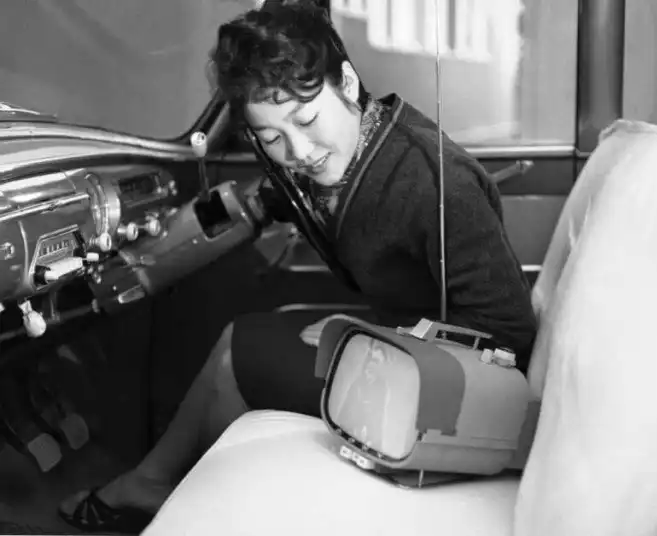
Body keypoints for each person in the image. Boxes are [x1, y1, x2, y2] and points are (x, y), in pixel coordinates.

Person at [58, 1, 537, 533]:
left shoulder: (436, 182)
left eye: (307, 120)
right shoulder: (326, 162)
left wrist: (373, 338)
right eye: (270, 138)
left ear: (347, 84)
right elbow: (272, 197)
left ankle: (191, 504)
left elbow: (509, 333)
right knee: (238, 340)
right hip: (400, 350)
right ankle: (168, 490)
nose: (299, 151)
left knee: (240, 355)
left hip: (447, 391)